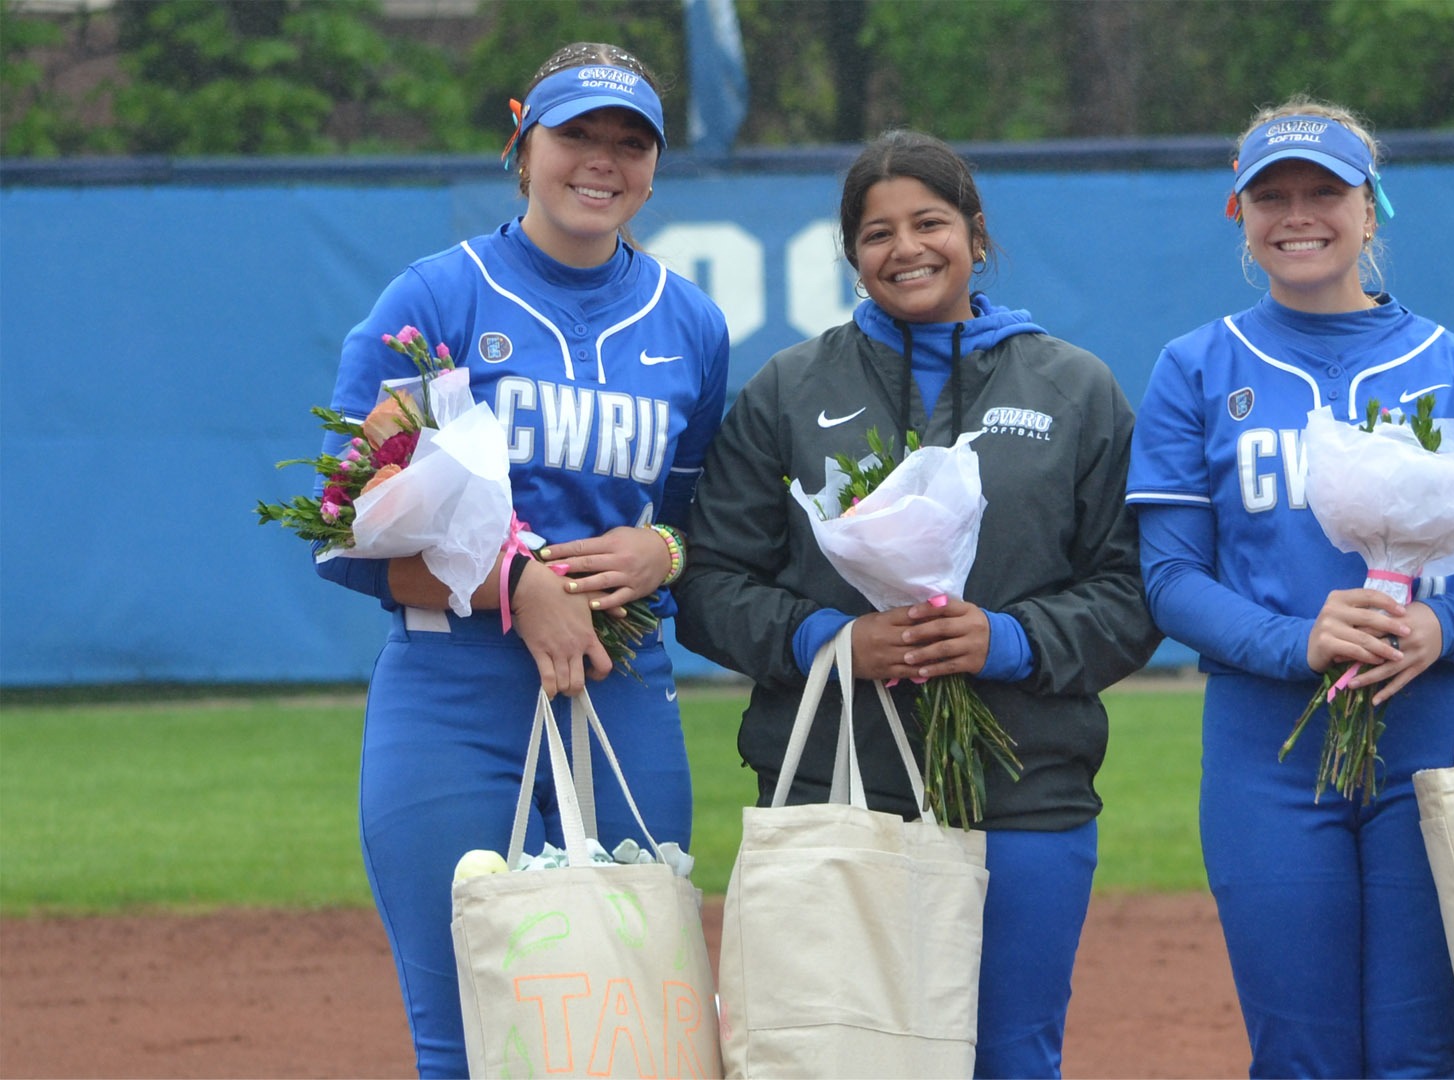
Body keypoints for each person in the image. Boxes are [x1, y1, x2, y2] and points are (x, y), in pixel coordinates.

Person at [674, 129, 1160, 1079]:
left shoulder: (1074, 387)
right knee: (838, 1058)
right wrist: (831, 639)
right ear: (853, 254)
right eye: (877, 232)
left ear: (977, 235)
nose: (907, 249)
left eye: (930, 222)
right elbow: (706, 583)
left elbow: (1133, 593)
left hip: (1027, 790)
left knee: (1012, 1057)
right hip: (833, 784)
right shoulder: (788, 388)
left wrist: (1009, 639)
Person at [313, 42, 729, 1077]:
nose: (602, 161)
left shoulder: (690, 323)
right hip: (451, 694)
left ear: (655, 164)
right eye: (576, 133)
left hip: (621, 690)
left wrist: (667, 547)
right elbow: (342, 525)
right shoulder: (441, 298)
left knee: (633, 1016)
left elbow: (707, 519)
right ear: (522, 139)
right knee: (466, 1029)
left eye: (629, 142)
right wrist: (514, 581)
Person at [1124, 95, 1454, 1078]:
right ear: (1239, 214)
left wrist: (1446, 628)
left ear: (1372, 209)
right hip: (1266, 752)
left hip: (1437, 746)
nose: (1298, 212)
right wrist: (1296, 640)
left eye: (1325, 189)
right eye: (1270, 194)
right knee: (1301, 1059)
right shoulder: (1197, 368)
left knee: (1424, 1057)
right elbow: (1170, 581)